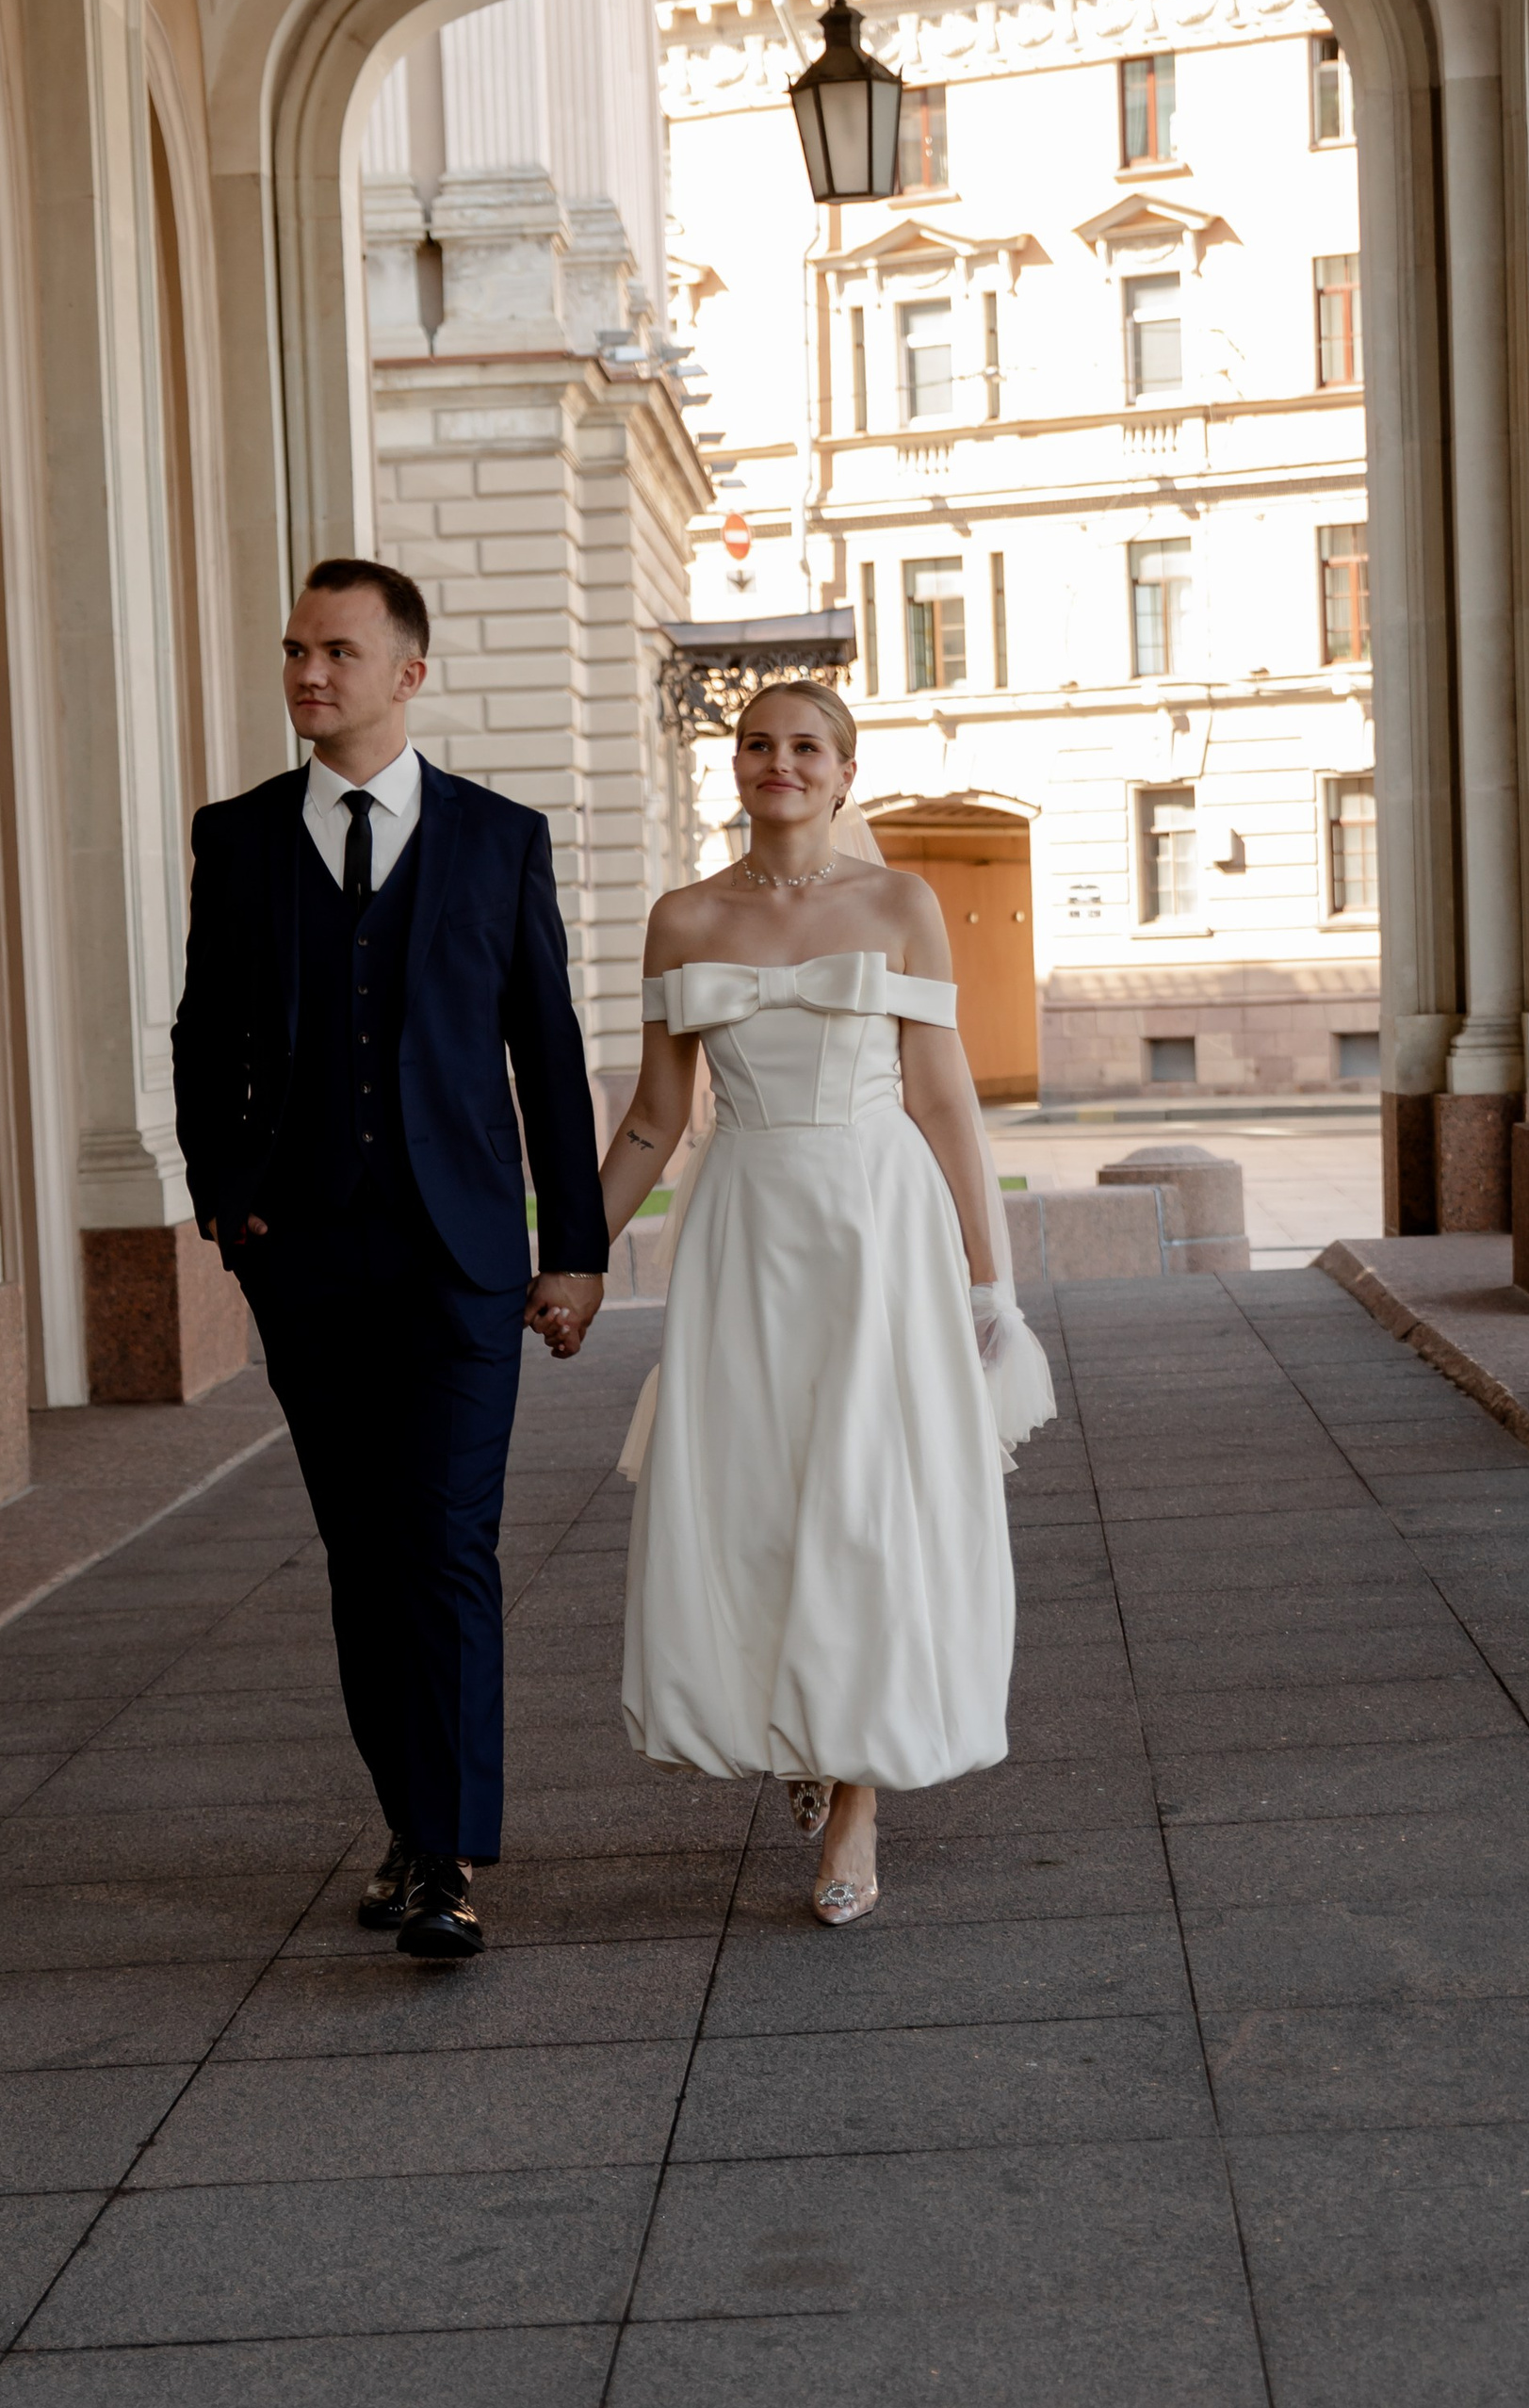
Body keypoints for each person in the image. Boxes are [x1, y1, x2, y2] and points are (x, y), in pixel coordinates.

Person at [171, 559, 608, 1961]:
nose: (308, 672)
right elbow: (203, 1038)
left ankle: (444, 1850)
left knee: (446, 1540)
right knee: (366, 1552)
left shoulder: (498, 839)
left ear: (408, 672)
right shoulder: (236, 841)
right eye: (295, 647)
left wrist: (577, 1247)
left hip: (463, 1256)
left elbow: (548, 1052)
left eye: (339, 651)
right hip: (304, 1259)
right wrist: (228, 1197)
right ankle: (413, 1822)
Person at [595, 681, 1024, 1925]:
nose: (777, 762)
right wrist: (570, 1257)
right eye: (756, 744)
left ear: (844, 771)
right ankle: (803, 1721)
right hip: (743, 1229)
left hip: (876, 1225)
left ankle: (856, 1797)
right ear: (733, 766)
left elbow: (943, 1097)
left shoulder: (898, 904)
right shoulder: (681, 919)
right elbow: (652, 1117)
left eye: (804, 747)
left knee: (864, 1501)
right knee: (759, 1498)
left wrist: (985, 1277)